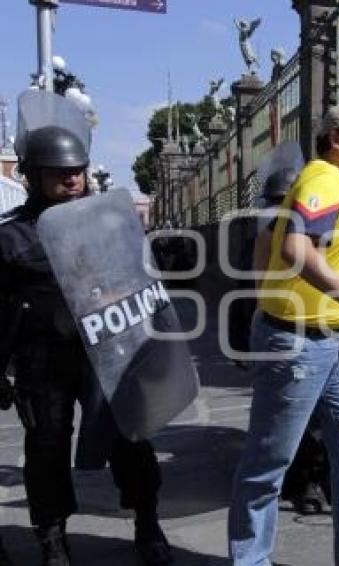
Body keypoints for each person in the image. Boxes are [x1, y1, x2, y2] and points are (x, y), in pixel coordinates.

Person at [228, 104, 339, 566]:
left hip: (334, 341)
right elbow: (295, 246)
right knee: (270, 457)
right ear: (335, 139)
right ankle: (250, 559)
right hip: (301, 341)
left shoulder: (331, 181)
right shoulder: (323, 178)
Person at [0, 96, 171, 566]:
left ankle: (147, 521)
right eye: (58, 170)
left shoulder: (109, 224)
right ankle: (52, 536)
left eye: (77, 168)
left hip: (108, 354)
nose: (71, 177)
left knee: (130, 441)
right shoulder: (10, 238)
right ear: (32, 175)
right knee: (46, 450)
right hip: (43, 362)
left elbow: (143, 285)